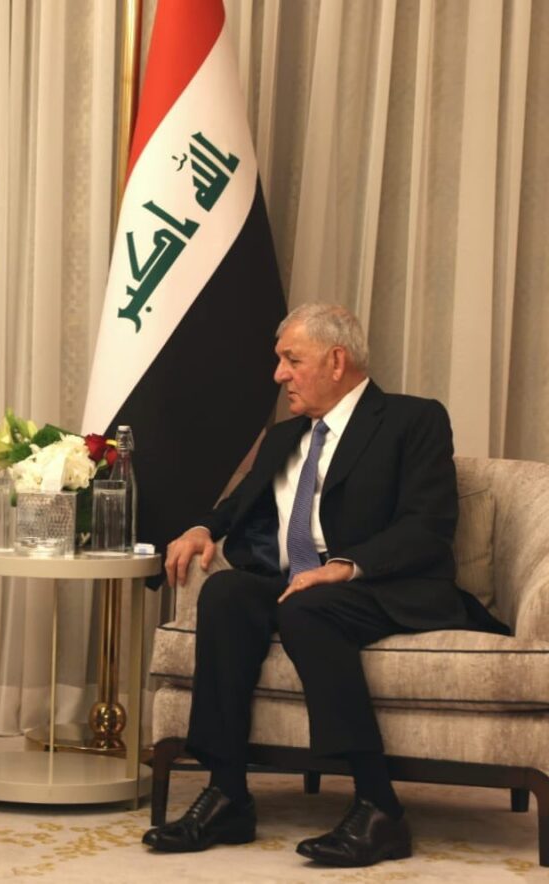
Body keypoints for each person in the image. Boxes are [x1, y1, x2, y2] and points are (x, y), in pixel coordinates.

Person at [142, 303, 507, 867]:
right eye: (279, 361)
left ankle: (379, 806)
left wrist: (345, 566)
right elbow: (237, 505)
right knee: (227, 593)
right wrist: (201, 529)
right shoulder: (285, 437)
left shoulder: (412, 420)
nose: (279, 374)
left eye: (292, 360)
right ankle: (227, 794)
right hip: (301, 585)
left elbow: (428, 526)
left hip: (383, 585)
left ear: (336, 361)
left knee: (308, 608)